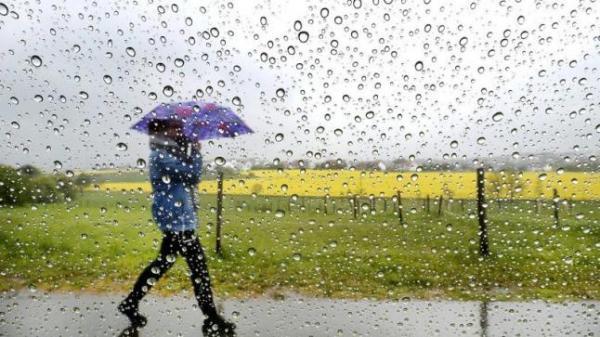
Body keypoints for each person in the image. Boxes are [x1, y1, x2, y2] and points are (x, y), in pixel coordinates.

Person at [118, 118, 236, 336]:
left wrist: (188, 149)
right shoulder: (161, 155)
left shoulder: (169, 152)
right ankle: (212, 317)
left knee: (163, 263)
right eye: (175, 128)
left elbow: (186, 177)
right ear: (162, 132)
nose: (180, 131)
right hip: (177, 221)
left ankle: (131, 302)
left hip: (179, 218)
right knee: (198, 269)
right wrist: (197, 152)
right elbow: (192, 175)